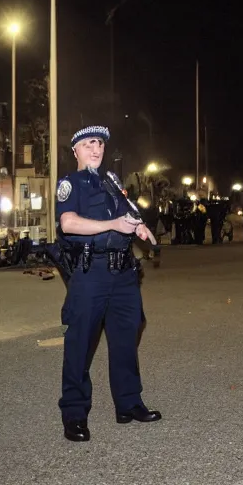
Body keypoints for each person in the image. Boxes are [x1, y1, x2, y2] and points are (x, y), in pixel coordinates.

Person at [55, 125, 161, 442]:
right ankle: (74, 414)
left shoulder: (112, 181)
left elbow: (129, 213)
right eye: (88, 143)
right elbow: (68, 223)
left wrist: (139, 227)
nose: (96, 148)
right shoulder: (70, 184)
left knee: (126, 339)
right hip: (91, 272)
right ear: (75, 150)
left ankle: (128, 404)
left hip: (125, 273)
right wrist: (113, 224)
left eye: (100, 143)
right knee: (80, 344)